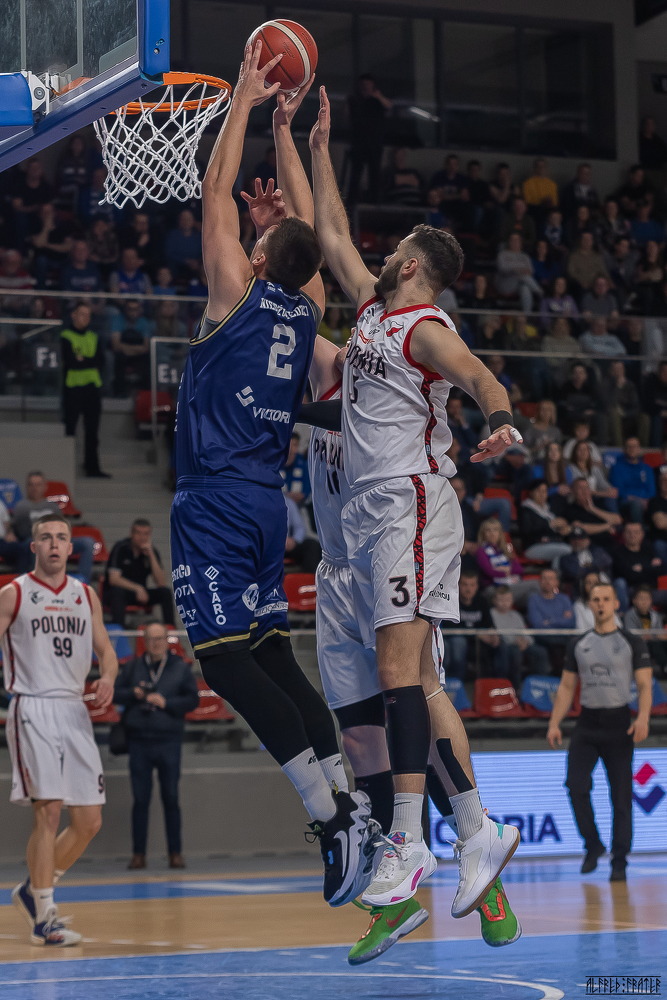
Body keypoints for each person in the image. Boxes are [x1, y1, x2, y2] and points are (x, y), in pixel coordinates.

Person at [310, 83, 520, 914]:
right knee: (417, 679)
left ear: (412, 266)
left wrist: (498, 421)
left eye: (394, 249)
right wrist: (317, 147)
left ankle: (407, 840)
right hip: (368, 509)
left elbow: (479, 376)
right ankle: (474, 831)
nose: (382, 253)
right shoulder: (371, 313)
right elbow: (330, 235)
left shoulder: (424, 325)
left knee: (399, 673)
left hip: (409, 499)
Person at [170, 49, 371, 910]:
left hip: (215, 500)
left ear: (256, 256)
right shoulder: (308, 304)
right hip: (264, 503)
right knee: (269, 656)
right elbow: (306, 239)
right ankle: (349, 799)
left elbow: (213, 189)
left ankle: (331, 817)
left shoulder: (234, 293)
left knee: (224, 665)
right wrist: (284, 165)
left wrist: (247, 102)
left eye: (253, 239)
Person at [304, 342, 520, 960]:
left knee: (417, 705)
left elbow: (309, 301)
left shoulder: (369, 374)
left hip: (390, 548)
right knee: (358, 740)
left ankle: (482, 863)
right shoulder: (324, 367)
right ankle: (395, 892)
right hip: (336, 569)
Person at [0, 512, 117, 945]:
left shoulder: (85, 595)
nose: (54, 543)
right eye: (46, 537)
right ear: (34, 547)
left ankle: (32, 891)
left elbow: (106, 650)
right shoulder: (13, 593)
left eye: (61, 537)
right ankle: (45, 916)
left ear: (71, 547)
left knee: (89, 821)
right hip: (32, 705)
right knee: (48, 810)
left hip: (74, 709)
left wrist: (107, 677)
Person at [547, 582, 653, 881]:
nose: (601, 604)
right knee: (575, 785)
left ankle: (620, 859)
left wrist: (643, 717)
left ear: (616, 603)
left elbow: (644, 684)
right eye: (596, 599)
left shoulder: (632, 641)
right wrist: (554, 723)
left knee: (621, 796)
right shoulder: (579, 643)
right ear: (590, 605)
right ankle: (593, 844)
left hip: (620, 724)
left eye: (606, 599)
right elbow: (567, 686)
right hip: (588, 723)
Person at [114, 622, 199, 871]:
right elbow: (116, 693)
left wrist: (166, 702)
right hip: (139, 740)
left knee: (171, 797)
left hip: (168, 740)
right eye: (151, 639)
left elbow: (192, 700)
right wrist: (134, 693)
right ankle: (138, 854)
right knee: (140, 800)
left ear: (167, 639)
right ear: (144, 641)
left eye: (160, 638)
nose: (156, 643)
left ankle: (175, 853)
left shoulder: (180, 668)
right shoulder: (133, 667)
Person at [11, 471, 95, 582]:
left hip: (56, 540)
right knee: (34, 543)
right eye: (31, 485)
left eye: (38, 485)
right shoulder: (21, 507)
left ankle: (82, 582)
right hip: (35, 541)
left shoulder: (53, 507)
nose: (34, 488)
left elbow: (62, 527)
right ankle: (39, 581)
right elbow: (22, 533)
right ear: (27, 487)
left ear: (44, 487)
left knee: (88, 542)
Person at [60, 301, 109, 479]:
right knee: (70, 429)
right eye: (82, 314)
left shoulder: (94, 337)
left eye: (88, 315)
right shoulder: (65, 336)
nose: (85, 318)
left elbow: (100, 361)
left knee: (92, 431)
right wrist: (87, 361)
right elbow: (71, 362)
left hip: (92, 388)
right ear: (73, 315)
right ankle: (65, 467)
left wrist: (82, 359)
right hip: (73, 388)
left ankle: (92, 468)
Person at [105, 518, 175, 627]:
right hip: (122, 592)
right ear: (131, 533)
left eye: (146, 534)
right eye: (138, 533)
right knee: (117, 592)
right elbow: (114, 579)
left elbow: (161, 582)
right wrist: (137, 588)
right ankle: (119, 632)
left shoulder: (151, 551)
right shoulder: (120, 548)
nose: (142, 538)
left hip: (141, 594)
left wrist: (151, 554)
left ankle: (171, 630)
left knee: (165, 592)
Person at [345, 74, 392, 205]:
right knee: (355, 173)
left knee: (374, 173)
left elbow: (389, 106)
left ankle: (374, 202)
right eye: (364, 85)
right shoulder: (354, 100)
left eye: (368, 84)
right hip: (358, 142)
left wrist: (378, 96)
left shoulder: (377, 100)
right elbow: (346, 116)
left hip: (375, 143)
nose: (366, 87)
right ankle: (351, 202)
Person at [491, 585, 550, 683]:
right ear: (494, 600)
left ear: (512, 600)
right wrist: (516, 641)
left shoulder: (516, 615)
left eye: (507, 600)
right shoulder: (491, 614)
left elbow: (526, 634)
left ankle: (540, 683)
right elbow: (499, 635)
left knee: (541, 652)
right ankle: (516, 685)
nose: (504, 603)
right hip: (505, 646)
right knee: (515, 652)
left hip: (521, 644)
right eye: (501, 600)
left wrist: (525, 641)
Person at [476, 518, 537, 607]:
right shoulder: (481, 551)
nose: (492, 533)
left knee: (532, 595)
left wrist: (506, 570)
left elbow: (520, 569)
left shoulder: (507, 548)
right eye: (488, 530)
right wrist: (507, 572)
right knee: (534, 585)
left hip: (512, 583)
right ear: (483, 533)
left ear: (500, 533)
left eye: (495, 530)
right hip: (495, 587)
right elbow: (489, 572)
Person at [612, 522, 665, 613]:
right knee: (620, 582)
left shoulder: (649, 549)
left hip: (650, 591)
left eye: (636, 532)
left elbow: (661, 570)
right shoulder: (618, 552)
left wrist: (642, 568)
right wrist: (649, 568)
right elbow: (629, 575)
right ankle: (622, 616)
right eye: (629, 532)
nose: (632, 535)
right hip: (631, 591)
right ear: (623, 534)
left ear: (642, 534)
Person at [518, 479, 572, 567]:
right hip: (533, 546)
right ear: (531, 492)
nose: (542, 494)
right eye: (538, 491)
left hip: (551, 544)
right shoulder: (525, 509)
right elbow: (527, 531)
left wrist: (563, 530)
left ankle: (556, 573)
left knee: (561, 554)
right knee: (567, 550)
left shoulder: (548, 511)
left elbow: (554, 529)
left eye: (545, 491)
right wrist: (549, 524)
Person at [526, 568, 575, 664]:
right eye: (544, 578)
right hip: (543, 637)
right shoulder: (533, 600)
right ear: (540, 582)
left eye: (551, 579)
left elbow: (571, 622)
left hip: (563, 636)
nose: (547, 581)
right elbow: (538, 625)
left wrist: (550, 621)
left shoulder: (564, 599)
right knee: (558, 647)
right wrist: (561, 620)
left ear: (557, 582)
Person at [565, 478, 622, 551]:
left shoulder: (598, 503)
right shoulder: (570, 509)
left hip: (610, 544)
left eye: (586, 488)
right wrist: (607, 526)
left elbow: (618, 519)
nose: (584, 491)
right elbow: (582, 528)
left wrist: (593, 509)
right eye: (580, 488)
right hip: (592, 547)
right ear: (573, 491)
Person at [608, 437, 656, 523]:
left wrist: (646, 500)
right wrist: (635, 499)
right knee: (636, 503)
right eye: (629, 446)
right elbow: (618, 490)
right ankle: (639, 529)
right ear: (624, 449)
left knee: (659, 503)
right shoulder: (616, 468)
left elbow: (651, 489)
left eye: (635, 446)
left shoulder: (647, 468)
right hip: (625, 501)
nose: (632, 449)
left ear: (639, 449)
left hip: (646, 501)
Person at [625, 584, 667, 676]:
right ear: (634, 601)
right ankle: (664, 667)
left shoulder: (655, 616)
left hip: (654, 642)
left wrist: (652, 636)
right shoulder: (630, 615)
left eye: (646, 599)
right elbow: (630, 634)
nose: (644, 602)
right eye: (641, 599)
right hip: (639, 644)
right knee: (654, 645)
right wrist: (649, 636)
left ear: (650, 601)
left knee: (660, 644)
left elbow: (661, 634)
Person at [495, 233, 543, 313]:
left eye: (517, 240)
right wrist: (517, 270)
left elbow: (531, 271)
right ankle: (540, 293)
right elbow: (502, 269)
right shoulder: (502, 255)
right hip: (506, 284)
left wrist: (521, 271)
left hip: (522, 283)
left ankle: (527, 314)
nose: (515, 242)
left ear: (521, 243)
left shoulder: (525, 256)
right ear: (509, 242)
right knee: (524, 278)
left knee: (525, 287)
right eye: (513, 240)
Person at [559, 526, 612, 591]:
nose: (577, 542)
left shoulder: (598, 551)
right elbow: (574, 573)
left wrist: (586, 567)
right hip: (579, 588)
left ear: (588, 541)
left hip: (603, 582)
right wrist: (592, 567)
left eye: (581, 539)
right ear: (570, 542)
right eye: (574, 540)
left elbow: (608, 562)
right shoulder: (566, 558)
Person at [566, 441, 617, 508]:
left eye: (585, 449)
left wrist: (611, 490)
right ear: (575, 452)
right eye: (580, 449)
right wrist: (601, 494)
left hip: (596, 498)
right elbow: (577, 489)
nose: (583, 452)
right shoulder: (570, 469)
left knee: (611, 497)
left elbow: (603, 484)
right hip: (579, 499)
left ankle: (614, 515)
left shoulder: (595, 469)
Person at [567, 232, 610, 297]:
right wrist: (582, 281)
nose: (587, 241)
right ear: (581, 241)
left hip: (596, 285)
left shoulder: (597, 257)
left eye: (589, 239)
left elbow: (603, 272)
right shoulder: (574, 257)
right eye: (585, 239)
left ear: (592, 242)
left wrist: (608, 282)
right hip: (580, 285)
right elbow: (571, 273)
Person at [164, 210, 202, 278]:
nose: (186, 222)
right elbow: (169, 253)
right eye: (183, 219)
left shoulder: (199, 236)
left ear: (193, 221)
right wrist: (186, 261)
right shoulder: (173, 235)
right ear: (179, 221)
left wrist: (197, 262)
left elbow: (202, 253)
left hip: (196, 267)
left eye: (188, 219)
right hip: (177, 268)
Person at [646, 468, 667, 565]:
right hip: (662, 540)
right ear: (659, 483)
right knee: (659, 546)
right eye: (664, 480)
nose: (666, 483)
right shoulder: (655, 502)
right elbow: (660, 523)